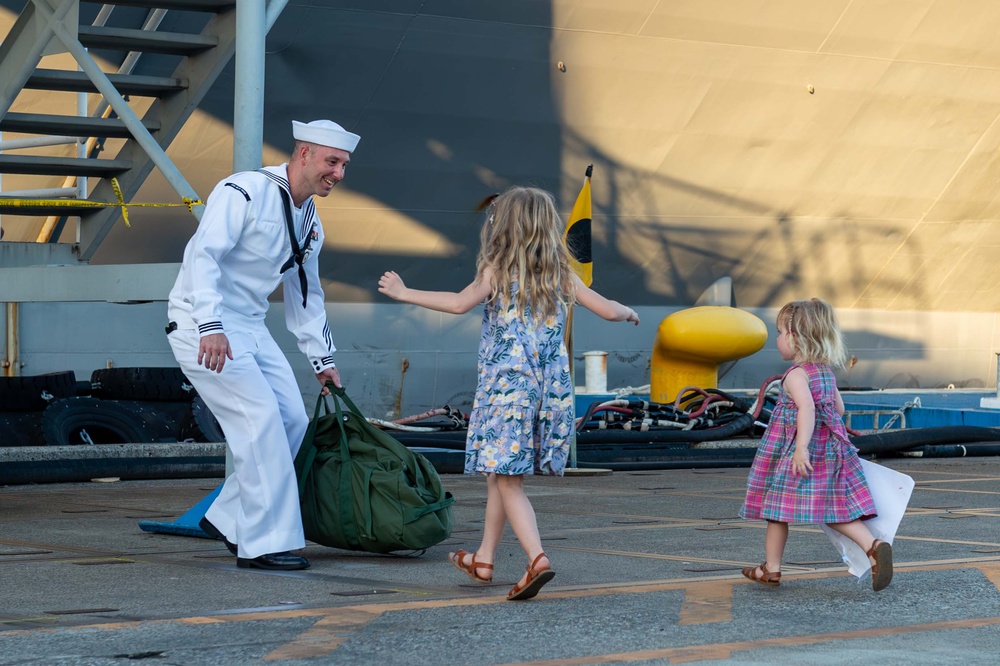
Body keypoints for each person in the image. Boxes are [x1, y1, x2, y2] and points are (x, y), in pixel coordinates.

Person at [378, 185, 640, 600]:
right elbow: (608, 308)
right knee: (500, 476)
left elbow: (460, 303)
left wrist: (404, 292)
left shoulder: (498, 270)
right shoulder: (561, 274)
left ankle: (537, 559)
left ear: (507, 226)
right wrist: (629, 313)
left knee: (508, 480)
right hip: (548, 393)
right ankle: (483, 558)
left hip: (508, 391)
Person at [166, 119, 360, 571]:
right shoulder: (245, 191)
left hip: (250, 325)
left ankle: (233, 517)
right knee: (259, 422)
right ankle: (263, 543)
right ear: (304, 153)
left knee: (292, 419)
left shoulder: (311, 222)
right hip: (203, 321)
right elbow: (203, 256)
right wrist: (210, 324)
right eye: (333, 162)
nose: (339, 173)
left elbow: (306, 295)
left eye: (345, 165)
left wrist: (322, 359)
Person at [739, 298, 893, 591]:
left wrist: (801, 447)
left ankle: (771, 568)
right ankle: (873, 546)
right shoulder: (825, 372)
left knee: (776, 510)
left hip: (799, 454)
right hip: (829, 453)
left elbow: (806, 409)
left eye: (780, 332)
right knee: (833, 511)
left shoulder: (795, 375)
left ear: (795, 338)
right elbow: (839, 409)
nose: (777, 338)